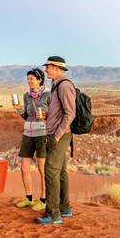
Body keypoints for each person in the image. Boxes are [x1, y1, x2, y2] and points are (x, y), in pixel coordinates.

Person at [36, 56, 76, 225]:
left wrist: (57, 135)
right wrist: (47, 116)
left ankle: (53, 214)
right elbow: (61, 112)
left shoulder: (64, 85)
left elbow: (70, 113)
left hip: (59, 135)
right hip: (57, 132)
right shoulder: (57, 85)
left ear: (57, 68)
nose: (46, 70)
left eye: (48, 68)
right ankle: (65, 208)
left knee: (51, 171)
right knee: (60, 171)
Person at [13, 68, 50, 211]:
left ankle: (43, 199)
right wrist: (19, 109)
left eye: (31, 79)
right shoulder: (26, 96)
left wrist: (45, 117)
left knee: (42, 169)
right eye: (27, 79)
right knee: (24, 168)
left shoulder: (48, 94)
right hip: (27, 133)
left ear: (39, 79)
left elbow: (53, 115)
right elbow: (26, 116)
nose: (29, 82)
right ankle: (28, 198)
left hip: (42, 134)